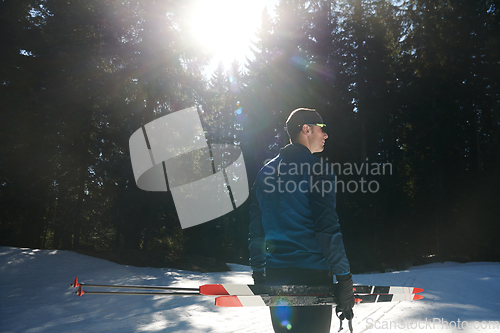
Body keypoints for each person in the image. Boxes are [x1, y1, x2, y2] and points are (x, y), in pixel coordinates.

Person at [248, 108, 355, 332]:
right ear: (306, 129)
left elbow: (256, 230)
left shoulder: (265, 173)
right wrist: (344, 278)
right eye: (322, 129)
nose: (326, 135)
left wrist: (259, 272)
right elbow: (327, 228)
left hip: (276, 276)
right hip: (312, 276)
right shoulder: (318, 168)